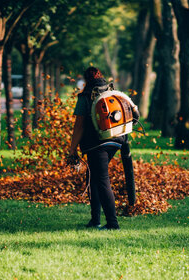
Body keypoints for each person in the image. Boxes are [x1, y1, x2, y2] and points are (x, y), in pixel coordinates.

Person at [69, 67, 135, 230]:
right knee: (92, 177)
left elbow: (79, 126)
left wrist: (72, 150)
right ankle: (95, 220)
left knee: (101, 180)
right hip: (117, 140)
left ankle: (113, 224)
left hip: (97, 143)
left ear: (86, 80)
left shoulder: (85, 96)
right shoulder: (112, 91)